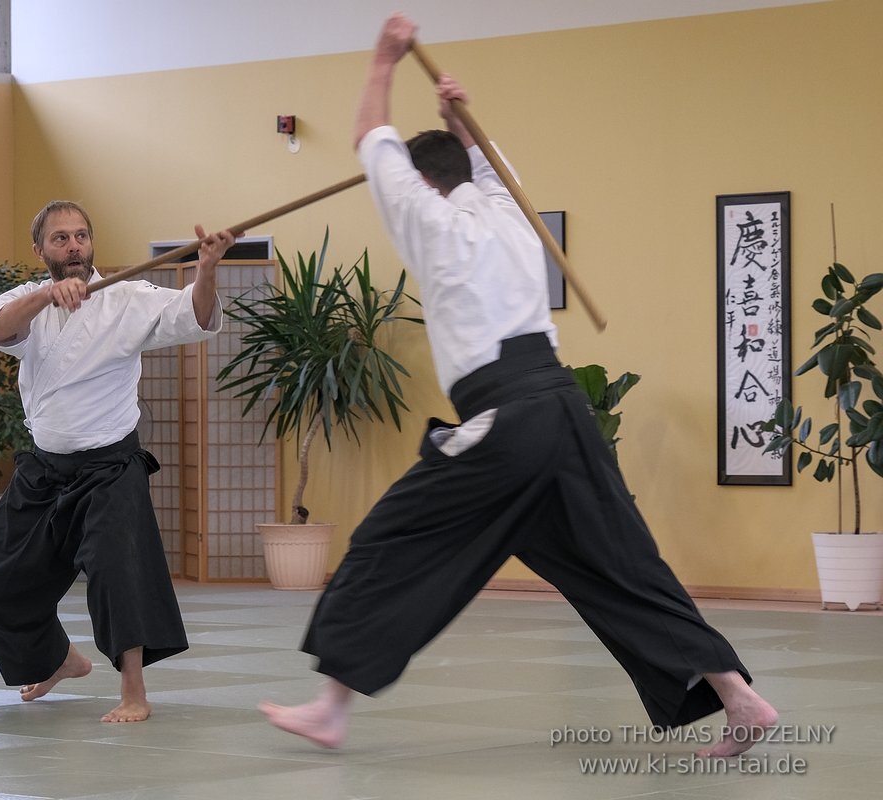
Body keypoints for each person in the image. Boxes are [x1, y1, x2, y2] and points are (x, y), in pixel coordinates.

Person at [259, 13, 777, 757]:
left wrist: (384, 57)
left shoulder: (430, 220)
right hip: (564, 412)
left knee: (388, 540)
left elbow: (369, 135)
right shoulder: (509, 213)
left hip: (509, 422)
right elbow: (488, 162)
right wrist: (456, 115)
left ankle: (332, 706)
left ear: (424, 181)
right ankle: (740, 698)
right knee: (621, 566)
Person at [0, 200, 236, 722]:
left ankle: (135, 693)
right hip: (45, 468)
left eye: (81, 236)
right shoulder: (26, 299)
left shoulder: (129, 297)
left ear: (92, 243)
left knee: (118, 576)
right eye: (61, 239)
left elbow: (197, 316)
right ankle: (60, 659)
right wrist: (49, 295)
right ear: (40, 250)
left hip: (109, 467)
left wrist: (206, 272)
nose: (73, 247)